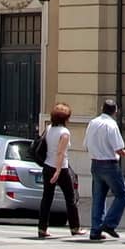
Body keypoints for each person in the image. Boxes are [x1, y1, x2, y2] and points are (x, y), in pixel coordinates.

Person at [84, 98, 125, 241]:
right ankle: (109, 223)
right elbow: (118, 148)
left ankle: (95, 230)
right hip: (110, 164)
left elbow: (85, 145)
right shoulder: (111, 125)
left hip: (95, 163)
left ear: (101, 108)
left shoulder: (93, 123)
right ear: (115, 111)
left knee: (98, 198)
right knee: (122, 194)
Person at [37, 102, 80, 238]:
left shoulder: (49, 128)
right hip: (61, 168)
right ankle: (75, 227)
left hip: (47, 166)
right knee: (70, 198)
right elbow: (60, 153)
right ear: (66, 118)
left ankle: (42, 229)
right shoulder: (64, 132)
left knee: (46, 198)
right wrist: (58, 171)